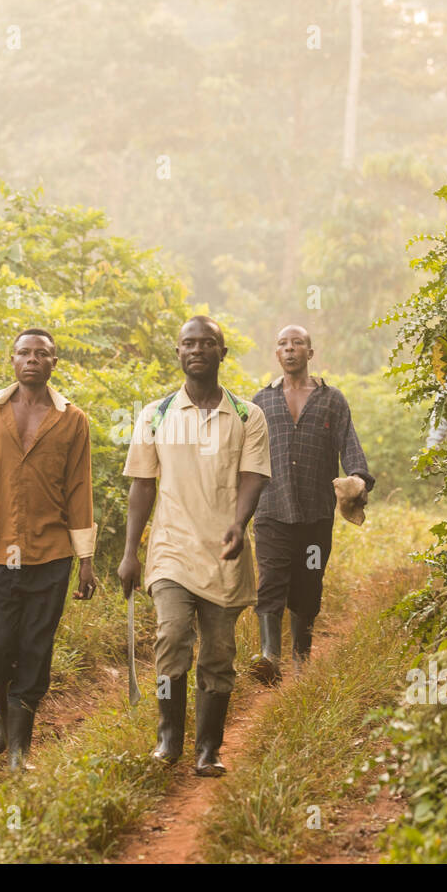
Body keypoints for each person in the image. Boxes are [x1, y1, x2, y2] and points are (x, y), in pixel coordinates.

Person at [118, 316, 270, 776]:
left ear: (223, 353)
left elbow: (254, 477)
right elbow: (142, 486)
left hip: (226, 552)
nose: (197, 350)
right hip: (171, 550)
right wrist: (130, 552)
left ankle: (209, 748)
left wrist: (239, 524)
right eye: (189, 343)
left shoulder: (247, 415)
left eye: (208, 343)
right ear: (178, 352)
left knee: (219, 653)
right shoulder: (156, 414)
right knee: (171, 637)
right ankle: (168, 736)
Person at [0, 328, 97, 772]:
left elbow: (79, 489)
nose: (32, 359)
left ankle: (19, 752)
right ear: (12, 360)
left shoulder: (72, 419)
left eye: (41, 354)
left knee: (34, 649)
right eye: (24, 353)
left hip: (50, 555)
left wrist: (85, 560)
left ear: (54, 363)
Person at [249, 324, 374, 684]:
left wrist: (359, 477)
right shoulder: (261, 402)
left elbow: (348, 442)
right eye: (283, 344)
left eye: (298, 343)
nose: (290, 349)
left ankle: (301, 661)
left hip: (316, 513)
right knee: (270, 581)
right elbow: (246, 453)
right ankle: (269, 657)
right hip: (271, 508)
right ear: (277, 354)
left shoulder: (332, 399)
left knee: (308, 584)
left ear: (310, 353)